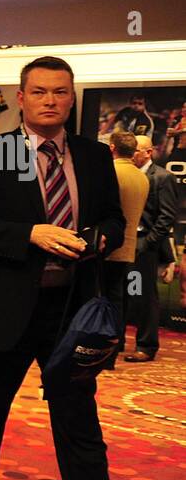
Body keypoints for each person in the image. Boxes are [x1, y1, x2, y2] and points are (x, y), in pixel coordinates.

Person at [0, 55, 151, 480]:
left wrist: (99, 239)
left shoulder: (91, 154)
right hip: (2, 311)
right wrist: (29, 234)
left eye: (60, 92)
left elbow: (111, 216)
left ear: (72, 97)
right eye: (39, 92)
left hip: (71, 313)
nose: (50, 101)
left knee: (80, 423)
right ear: (21, 97)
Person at [124, 134, 178, 362]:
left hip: (145, 244)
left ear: (149, 152)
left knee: (144, 295)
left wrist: (147, 244)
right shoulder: (128, 174)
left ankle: (146, 346)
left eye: (137, 150)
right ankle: (115, 342)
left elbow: (166, 217)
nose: (133, 154)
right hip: (123, 244)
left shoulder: (162, 177)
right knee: (122, 293)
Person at [100, 132, 149, 346]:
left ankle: (103, 343)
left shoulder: (110, 172)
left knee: (101, 297)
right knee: (117, 297)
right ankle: (115, 343)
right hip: (128, 246)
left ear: (112, 148)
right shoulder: (142, 176)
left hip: (106, 245)